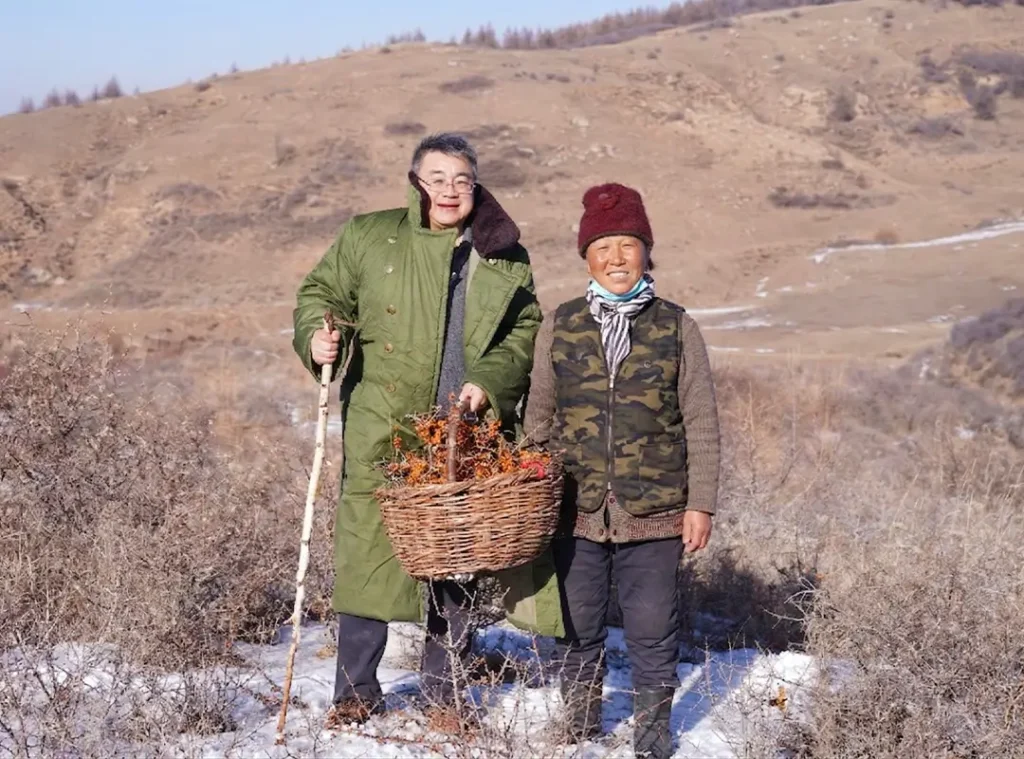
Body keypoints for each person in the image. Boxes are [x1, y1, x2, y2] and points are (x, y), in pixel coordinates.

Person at [291, 132, 542, 725]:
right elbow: (322, 294)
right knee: (367, 555)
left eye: (461, 180)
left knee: (455, 557)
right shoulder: (369, 235)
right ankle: (355, 693)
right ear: (415, 183)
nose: (450, 191)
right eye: (437, 178)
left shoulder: (502, 252)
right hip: (383, 422)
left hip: (463, 429)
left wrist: (490, 382)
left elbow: (523, 328)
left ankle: (444, 695)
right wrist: (318, 338)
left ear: (475, 186)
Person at [522, 183, 720, 758]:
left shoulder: (677, 327)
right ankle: (579, 730)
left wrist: (701, 503)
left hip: (656, 509)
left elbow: (701, 422)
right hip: (574, 509)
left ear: (645, 253)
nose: (615, 258)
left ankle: (653, 740)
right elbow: (539, 414)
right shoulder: (560, 323)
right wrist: (532, 486)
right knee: (577, 625)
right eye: (602, 247)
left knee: (653, 629)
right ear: (585, 256)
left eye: (628, 245)